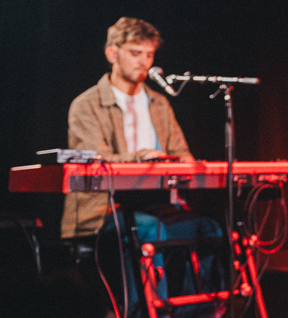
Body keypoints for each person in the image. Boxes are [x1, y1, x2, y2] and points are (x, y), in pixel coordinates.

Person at [61, 17, 222, 317]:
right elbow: (95, 160)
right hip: (102, 212)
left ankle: (198, 312)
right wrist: (141, 158)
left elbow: (181, 153)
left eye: (149, 54)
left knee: (208, 228)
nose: (144, 62)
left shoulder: (158, 103)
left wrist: (187, 165)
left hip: (155, 207)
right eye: (135, 53)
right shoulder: (86, 105)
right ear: (112, 53)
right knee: (149, 228)